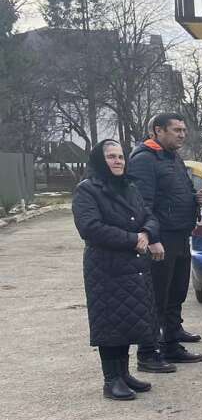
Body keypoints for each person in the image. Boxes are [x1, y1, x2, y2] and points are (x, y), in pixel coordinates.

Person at [72, 140, 161, 401]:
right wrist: (132, 239)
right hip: (106, 268)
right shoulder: (87, 190)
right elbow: (90, 227)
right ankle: (111, 380)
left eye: (121, 156)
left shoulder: (129, 186)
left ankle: (123, 374)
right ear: (100, 160)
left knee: (127, 320)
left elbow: (149, 215)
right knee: (110, 322)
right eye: (111, 156)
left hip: (134, 266)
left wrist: (146, 233)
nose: (118, 161)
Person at [128, 113, 202, 373]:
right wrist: (152, 238)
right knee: (156, 298)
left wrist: (195, 198)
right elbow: (141, 204)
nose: (182, 134)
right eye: (176, 130)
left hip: (180, 235)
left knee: (176, 293)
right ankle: (147, 353)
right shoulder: (144, 159)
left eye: (183, 130)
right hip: (161, 239)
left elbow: (175, 193)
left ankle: (171, 343)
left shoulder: (172, 157)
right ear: (158, 131)